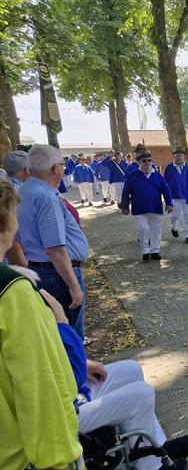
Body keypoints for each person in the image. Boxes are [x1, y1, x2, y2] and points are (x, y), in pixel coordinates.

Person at [0, 179, 84, 470]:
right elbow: (39, 380)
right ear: (6, 225)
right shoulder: (13, 291)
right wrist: (60, 457)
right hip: (20, 451)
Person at [16, 144, 90, 340]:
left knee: (56, 333)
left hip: (41, 269)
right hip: (58, 274)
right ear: (55, 169)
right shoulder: (46, 197)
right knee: (70, 335)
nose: (63, 169)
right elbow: (55, 249)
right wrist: (73, 286)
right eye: (62, 165)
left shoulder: (23, 191)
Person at [120, 151, 173, 262]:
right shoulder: (132, 176)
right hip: (139, 207)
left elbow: (166, 189)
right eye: (144, 161)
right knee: (143, 229)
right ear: (139, 162)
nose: (147, 163)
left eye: (149, 160)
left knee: (156, 230)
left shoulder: (157, 175)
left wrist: (169, 203)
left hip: (155, 206)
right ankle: (145, 251)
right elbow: (126, 192)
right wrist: (125, 206)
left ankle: (155, 251)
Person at [164, 147, 188, 243]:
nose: (179, 157)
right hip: (174, 197)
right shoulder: (169, 167)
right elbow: (165, 183)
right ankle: (173, 227)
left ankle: (187, 235)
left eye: (181, 155)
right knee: (174, 216)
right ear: (174, 156)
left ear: (183, 156)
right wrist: (167, 198)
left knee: (187, 217)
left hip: (187, 197)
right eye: (177, 155)